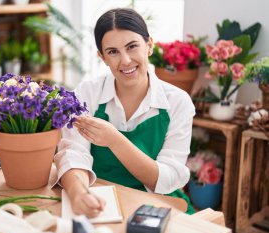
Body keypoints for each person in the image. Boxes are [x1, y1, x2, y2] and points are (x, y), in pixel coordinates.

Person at [53, 8, 195, 217]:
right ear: (102, 57)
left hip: (158, 205)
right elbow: (74, 155)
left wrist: (114, 140)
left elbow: (167, 178)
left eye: (132, 46)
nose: (126, 60)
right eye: (113, 52)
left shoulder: (177, 102)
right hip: (103, 201)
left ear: (149, 45)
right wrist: (79, 194)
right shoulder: (87, 93)